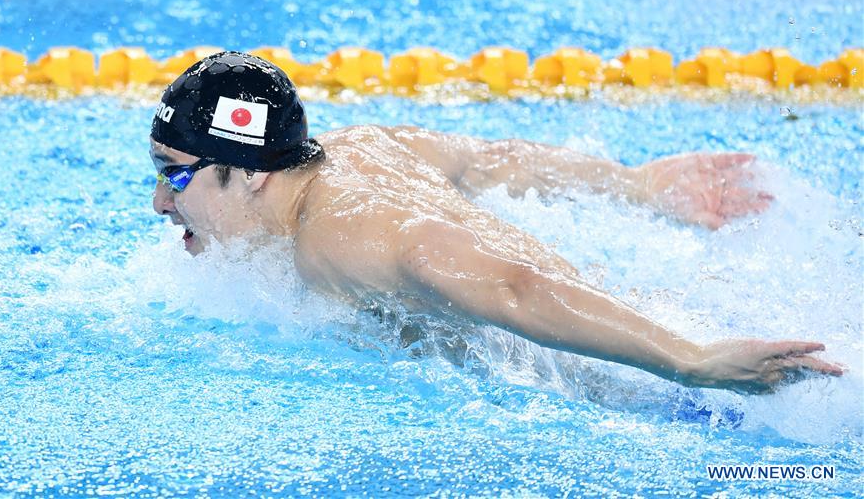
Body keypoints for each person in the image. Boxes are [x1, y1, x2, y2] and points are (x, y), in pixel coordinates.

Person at [150, 51, 843, 394]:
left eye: (174, 174)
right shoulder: (361, 148)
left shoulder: (338, 239)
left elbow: (510, 286)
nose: (159, 202)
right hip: (645, 311)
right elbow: (487, 162)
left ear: (251, 172)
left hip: (628, 375)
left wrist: (689, 360)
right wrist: (635, 185)